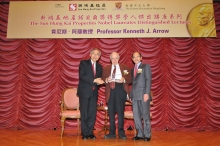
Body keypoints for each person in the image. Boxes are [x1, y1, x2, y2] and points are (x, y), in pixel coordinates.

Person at [102, 52, 131, 139]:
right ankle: (112, 132)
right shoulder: (106, 68)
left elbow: (130, 78)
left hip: (120, 89)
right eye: (112, 58)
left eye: (116, 58)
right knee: (111, 113)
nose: (114, 60)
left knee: (120, 112)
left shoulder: (125, 68)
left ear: (119, 58)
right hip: (110, 91)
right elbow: (102, 79)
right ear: (110, 59)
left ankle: (121, 132)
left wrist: (124, 79)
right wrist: (107, 79)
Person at [77, 48, 104, 140]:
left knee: (92, 113)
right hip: (84, 92)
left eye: (98, 54)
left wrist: (102, 81)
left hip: (94, 93)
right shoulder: (83, 63)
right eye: (94, 54)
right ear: (90, 54)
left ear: (99, 56)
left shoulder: (100, 67)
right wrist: (94, 80)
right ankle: (84, 133)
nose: (95, 56)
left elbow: (99, 79)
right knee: (84, 113)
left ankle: (90, 132)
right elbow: (82, 76)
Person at [130, 52, 152, 141]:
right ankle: (139, 134)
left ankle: (147, 135)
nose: (136, 58)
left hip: (143, 95)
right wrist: (131, 96)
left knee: (145, 116)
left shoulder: (146, 66)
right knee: (136, 116)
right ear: (132, 59)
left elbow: (148, 80)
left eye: (137, 57)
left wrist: (147, 93)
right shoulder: (132, 70)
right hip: (135, 96)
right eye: (134, 57)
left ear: (141, 58)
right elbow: (133, 84)